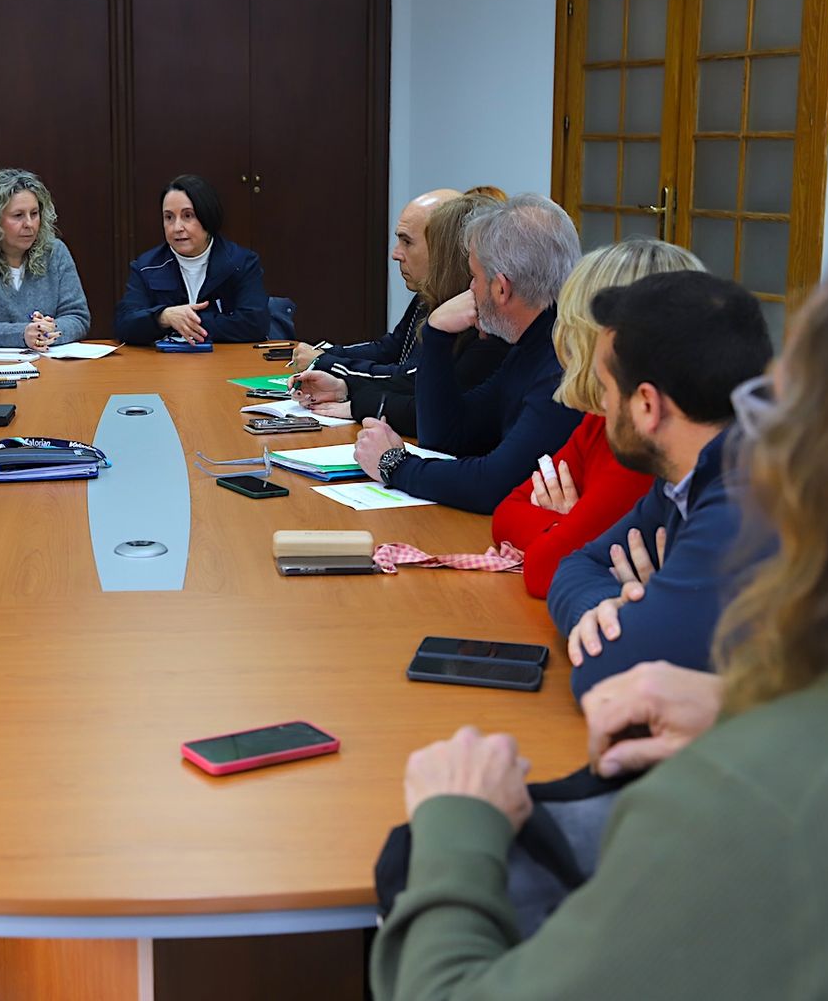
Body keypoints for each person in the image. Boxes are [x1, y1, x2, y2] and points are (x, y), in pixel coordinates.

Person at [370, 229, 828, 999]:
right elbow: (568, 555)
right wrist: (742, 702)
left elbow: (601, 639)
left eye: (772, 408)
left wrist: (458, 825)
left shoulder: (744, 799)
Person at [547, 269, 773, 699]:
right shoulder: (691, 471)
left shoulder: (743, 502)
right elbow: (578, 566)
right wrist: (608, 608)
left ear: (647, 405)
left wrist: (635, 618)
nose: (603, 404)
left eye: (607, 387)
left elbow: (607, 680)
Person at [327, 193, 585, 513]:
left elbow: (492, 485)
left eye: (475, 278)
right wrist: (436, 335)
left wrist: (394, 465)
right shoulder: (534, 344)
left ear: (501, 289)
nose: (470, 290)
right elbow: (449, 436)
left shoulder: (563, 362)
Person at [491, 240, 704, 598]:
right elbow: (505, 513)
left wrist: (567, 532)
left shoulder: (642, 443)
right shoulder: (599, 420)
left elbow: (545, 569)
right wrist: (567, 526)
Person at [292, 194, 510, 431]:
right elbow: (393, 354)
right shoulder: (429, 299)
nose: (396, 254)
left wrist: (332, 368)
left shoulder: (486, 328)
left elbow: (422, 394)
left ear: (446, 254)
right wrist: (340, 380)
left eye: (407, 242)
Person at [286, 188, 460, 374]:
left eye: (407, 242)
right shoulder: (427, 295)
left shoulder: (461, 314)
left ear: (443, 247)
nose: (396, 254)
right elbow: (389, 349)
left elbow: (408, 380)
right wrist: (325, 353)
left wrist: (325, 362)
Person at [114, 174, 270, 344]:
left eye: (188, 216)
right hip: (165, 366)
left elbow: (255, 324)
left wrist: (187, 321)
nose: (177, 228)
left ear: (207, 216)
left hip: (224, 363)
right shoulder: (146, 267)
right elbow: (124, 325)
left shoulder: (241, 263)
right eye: (169, 217)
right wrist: (163, 317)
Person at [0, 167, 91, 349]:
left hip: (51, 365)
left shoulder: (55, 252)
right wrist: (22, 334)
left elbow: (78, 317)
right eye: (18, 215)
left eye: (34, 213)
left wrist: (47, 331)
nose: (29, 224)